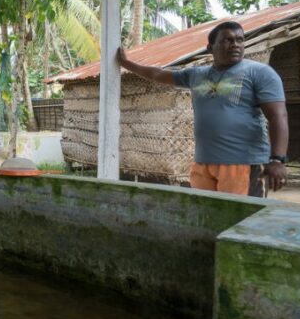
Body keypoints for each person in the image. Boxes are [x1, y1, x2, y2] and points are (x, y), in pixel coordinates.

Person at [115, 20, 289, 196]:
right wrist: (125, 63)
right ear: (210, 47)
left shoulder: (260, 73)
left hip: (242, 162)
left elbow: (278, 116)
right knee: (206, 216)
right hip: (204, 163)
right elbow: (157, 74)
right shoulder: (196, 75)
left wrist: (277, 159)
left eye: (240, 40)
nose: (235, 44)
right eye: (227, 40)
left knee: (241, 217)